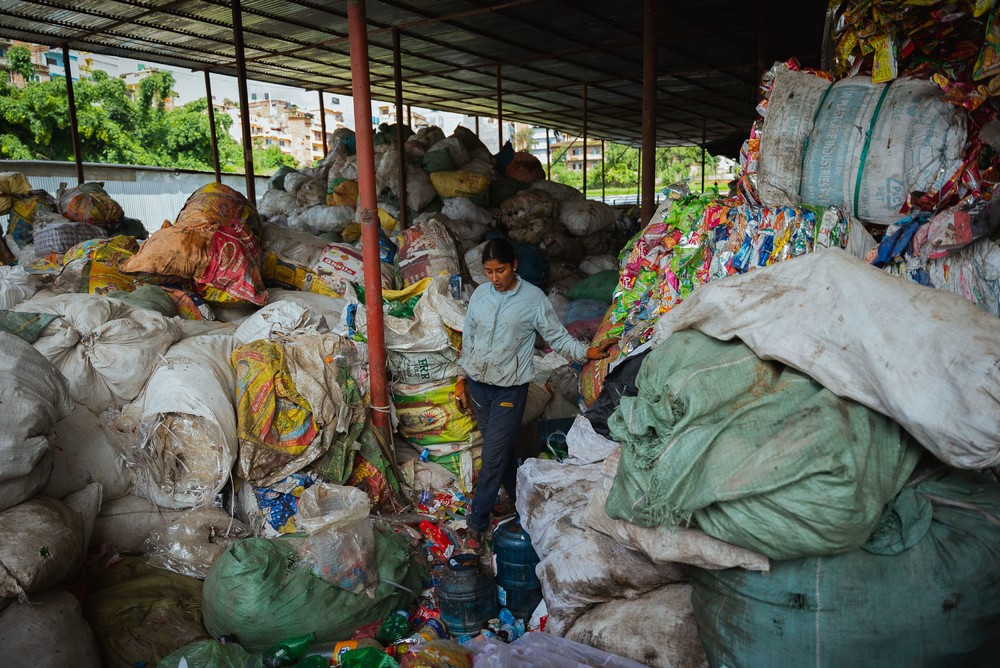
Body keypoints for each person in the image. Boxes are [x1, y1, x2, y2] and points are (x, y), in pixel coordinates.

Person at [455, 238, 617, 552]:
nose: (494, 278)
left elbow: (557, 337)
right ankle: (524, 503)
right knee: (498, 456)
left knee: (491, 457)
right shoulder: (479, 295)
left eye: (500, 270)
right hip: (478, 385)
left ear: (513, 265)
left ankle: (476, 525)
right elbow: (469, 337)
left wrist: (586, 352)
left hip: (509, 388)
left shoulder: (533, 298)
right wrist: (461, 378)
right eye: (488, 272)